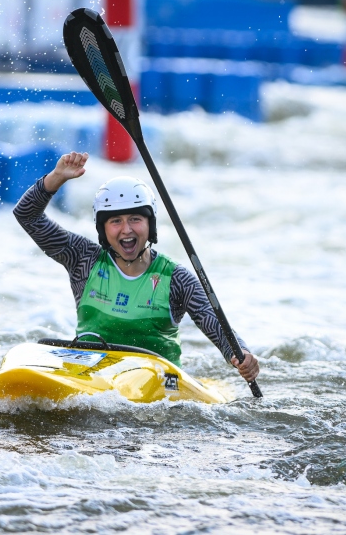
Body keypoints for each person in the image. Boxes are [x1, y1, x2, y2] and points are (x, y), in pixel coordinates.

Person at [14, 151, 260, 384]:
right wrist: (56, 178)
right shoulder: (83, 259)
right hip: (91, 376)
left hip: (157, 385)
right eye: (115, 221)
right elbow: (27, 216)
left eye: (135, 219)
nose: (126, 230)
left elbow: (214, 323)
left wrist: (241, 354)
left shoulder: (176, 278)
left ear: (150, 224)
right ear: (103, 229)